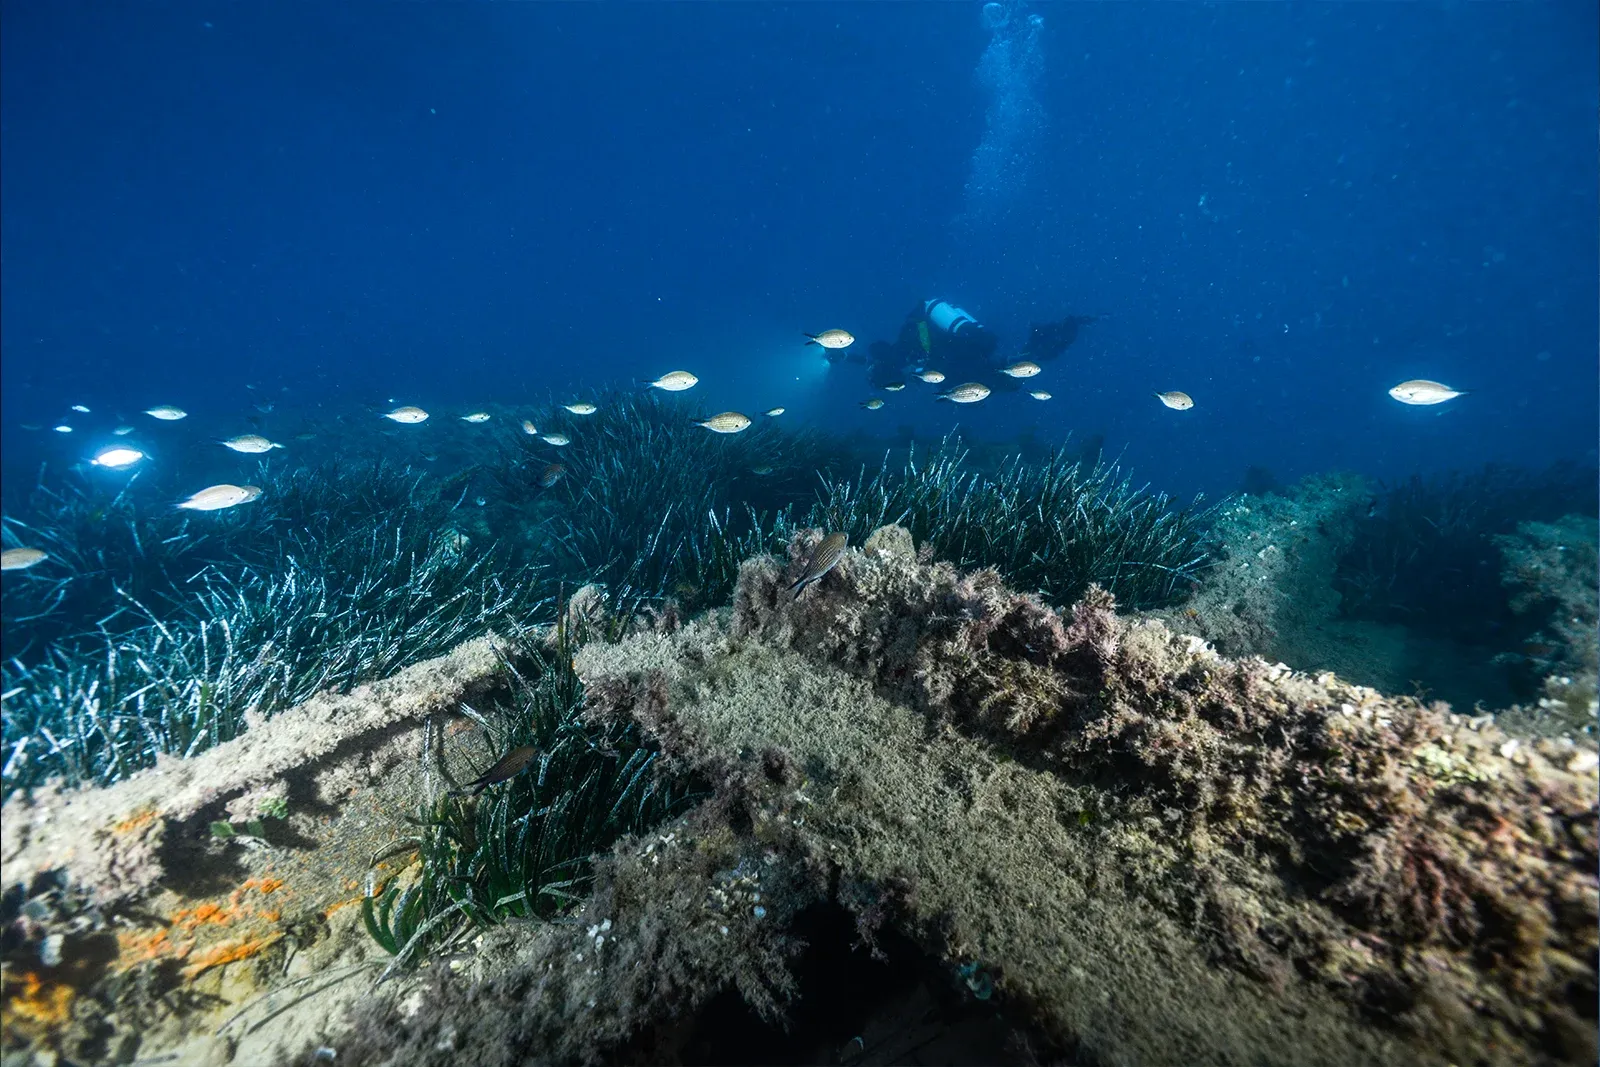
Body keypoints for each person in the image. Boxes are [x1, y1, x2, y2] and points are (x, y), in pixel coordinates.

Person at [835, 299, 1095, 391]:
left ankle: (1061, 328)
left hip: (968, 353)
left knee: (1020, 364)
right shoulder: (904, 352)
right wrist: (846, 358)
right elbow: (881, 360)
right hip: (968, 354)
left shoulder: (906, 345)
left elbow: (887, 358)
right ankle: (1059, 329)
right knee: (1024, 361)